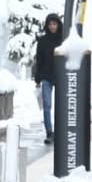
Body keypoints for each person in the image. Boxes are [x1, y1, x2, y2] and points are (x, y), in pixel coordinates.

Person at [32, 13, 64, 145]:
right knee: (47, 106)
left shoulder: (63, 40)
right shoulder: (42, 41)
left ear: (58, 25)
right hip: (46, 76)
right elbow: (39, 59)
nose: (52, 27)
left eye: (54, 24)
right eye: (50, 24)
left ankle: (60, 131)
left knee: (61, 105)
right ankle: (49, 132)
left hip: (61, 76)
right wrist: (37, 78)